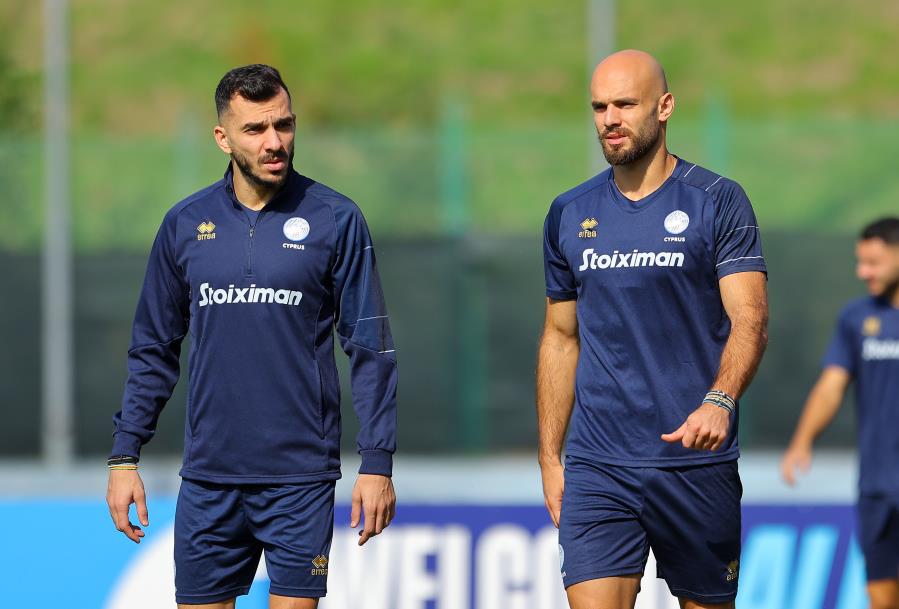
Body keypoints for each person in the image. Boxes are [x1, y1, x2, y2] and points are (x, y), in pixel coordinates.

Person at [105, 64, 398, 609]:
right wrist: (125, 457)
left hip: (300, 479)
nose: (274, 142)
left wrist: (377, 461)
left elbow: (371, 349)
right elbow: (153, 350)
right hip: (209, 479)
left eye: (283, 125)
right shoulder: (185, 224)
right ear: (223, 138)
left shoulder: (336, 218)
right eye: (255, 129)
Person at [536, 50, 769, 609]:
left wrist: (720, 401)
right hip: (599, 465)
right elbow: (560, 337)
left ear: (664, 107)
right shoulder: (569, 212)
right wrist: (549, 456)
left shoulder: (718, 201)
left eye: (625, 104)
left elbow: (751, 319)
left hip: (694, 463)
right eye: (599, 107)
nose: (609, 119)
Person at [781, 217, 899, 609]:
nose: (863, 272)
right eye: (860, 262)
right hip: (877, 486)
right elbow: (831, 385)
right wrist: (802, 440)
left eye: (873, 263)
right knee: (881, 595)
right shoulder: (856, 318)